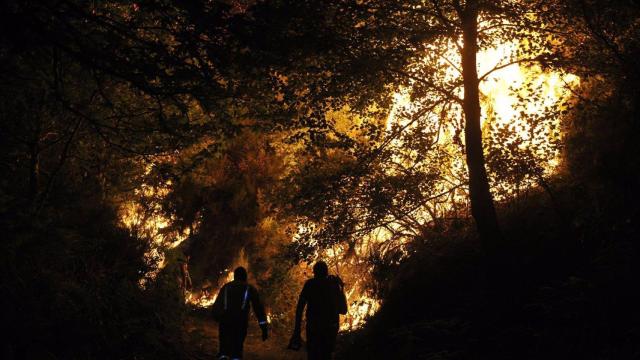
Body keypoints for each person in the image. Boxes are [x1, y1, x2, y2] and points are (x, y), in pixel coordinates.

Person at [289, 261, 348, 360]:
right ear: (326, 272)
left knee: (313, 355)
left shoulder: (310, 284)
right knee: (326, 355)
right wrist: (341, 288)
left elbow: (300, 308)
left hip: (313, 328)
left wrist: (297, 330)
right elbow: (343, 310)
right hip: (329, 328)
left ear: (314, 272)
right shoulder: (332, 285)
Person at [212, 266, 268, 360]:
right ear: (245, 277)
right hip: (240, 323)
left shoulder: (226, 287)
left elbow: (217, 305)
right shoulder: (249, 288)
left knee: (224, 349)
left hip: (225, 322)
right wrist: (264, 328)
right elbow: (258, 309)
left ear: (234, 276)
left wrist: (218, 318)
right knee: (237, 350)